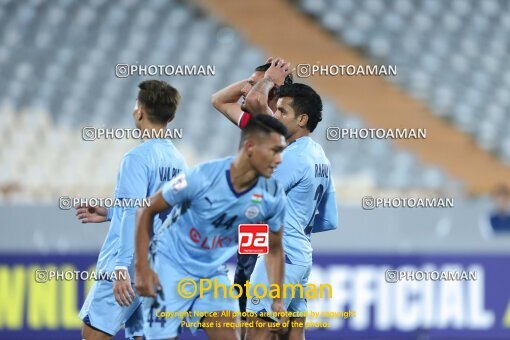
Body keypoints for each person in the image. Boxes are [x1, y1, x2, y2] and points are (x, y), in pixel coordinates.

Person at [134, 115, 289, 340]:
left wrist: (277, 300)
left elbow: (274, 249)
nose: (280, 159)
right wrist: (141, 269)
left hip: (211, 272)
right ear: (250, 146)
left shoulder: (272, 195)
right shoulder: (202, 177)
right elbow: (146, 209)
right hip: (170, 264)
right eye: (275, 150)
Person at [76, 80, 187, 339]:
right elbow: (160, 212)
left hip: (129, 265)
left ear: (140, 111)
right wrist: (110, 212)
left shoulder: (136, 159)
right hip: (158, 266)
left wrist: (121, 268)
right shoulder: (179, 160)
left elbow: (133, 214)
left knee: (92, 336)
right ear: (170, 116)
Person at [242, 65, 339, 339]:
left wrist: (268, 81)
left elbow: (254, 197)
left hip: (280, 256)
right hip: (302, 255)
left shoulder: (292, 157)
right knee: (293, 334)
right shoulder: (319, 155)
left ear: (302, 119)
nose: (276, 115)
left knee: (257, 331)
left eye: (283, 111)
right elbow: (329, 219)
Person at [211, 58, 292, 322]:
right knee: (244, 302)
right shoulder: (254, 123)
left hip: (267, 223)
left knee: (258, 313)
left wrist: (268, 81)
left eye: (253, 86)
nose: (247, 91)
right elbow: (219, 100)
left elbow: (257, 100)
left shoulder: (276, 130)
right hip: (249, 221)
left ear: (273, 93)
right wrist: (255, 81)